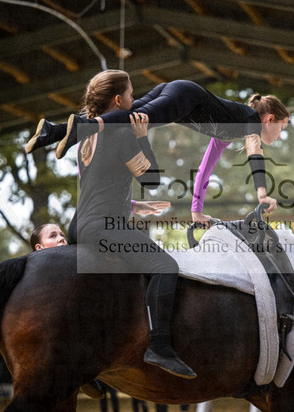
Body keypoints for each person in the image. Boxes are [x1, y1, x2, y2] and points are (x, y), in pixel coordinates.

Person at [65, 70, 196, 379]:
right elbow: (151, 179)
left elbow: (99, 185)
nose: (135, 100)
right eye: (131, 94)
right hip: (103, 226)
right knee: (165, 266)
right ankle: (159, 346)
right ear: (118, 100)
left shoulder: (88, 135)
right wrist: (142, 137)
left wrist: (136, 206)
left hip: (79, 225)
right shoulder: (122, 133)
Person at [25, 76, 290, 224]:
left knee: (131, 117)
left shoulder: (229, 131)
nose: (280, 135)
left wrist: (196, 210)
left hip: (178, 92)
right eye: (282, 127)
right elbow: (255, 153)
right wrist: (262, 192)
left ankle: (53, 131)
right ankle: (80, 127)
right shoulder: (250, 120)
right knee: (133, 120)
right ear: (269, 119)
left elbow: (205, 170)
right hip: (186, 96)